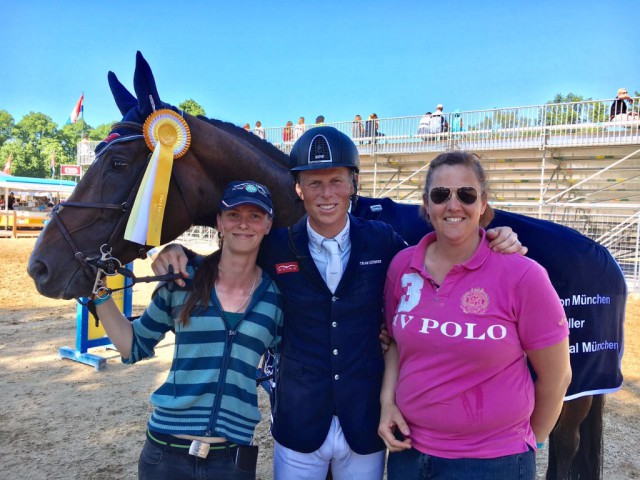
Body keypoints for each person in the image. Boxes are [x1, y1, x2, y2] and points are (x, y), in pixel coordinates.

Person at [152, 128, 522, 480]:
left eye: (336, 181)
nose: (326, 193)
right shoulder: (276, 246)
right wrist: (178, 252)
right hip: (298, 421)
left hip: (363, 421)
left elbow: (443, 253)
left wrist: (491, 238)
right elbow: (230, 262)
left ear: (352, 185)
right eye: (314, 183)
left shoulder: (382, 241)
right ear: (298, 189)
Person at [378, 151, 572, 480]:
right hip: (410, 454)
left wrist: (529, 444)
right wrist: (387, 402)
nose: (453, 205)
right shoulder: (402, 267)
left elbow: (557, 377)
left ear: (483, 203)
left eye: (466, 194)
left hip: (494, 462)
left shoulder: (523, 275)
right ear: (426, 205)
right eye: (441, 195)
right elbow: (395, 343)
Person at [94, 180, 282, 480]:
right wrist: (99, 294)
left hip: (232, 461)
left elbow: (300, 354)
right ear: (219, 222)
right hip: (166, 455)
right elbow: (133, 346)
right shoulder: (183, 281)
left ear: (268, 224)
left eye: (255, 216)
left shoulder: (275, 298)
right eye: (234, 215)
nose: (244, 224)